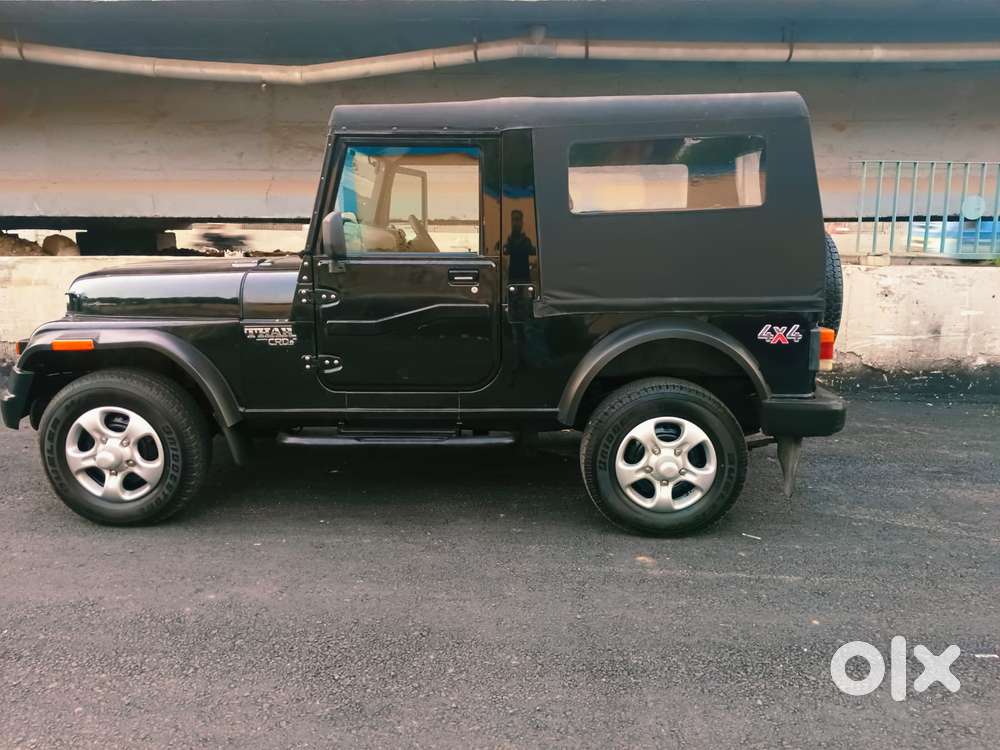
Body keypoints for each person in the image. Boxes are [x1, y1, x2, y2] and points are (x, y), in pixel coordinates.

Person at [503, 209, 536, 283]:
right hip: (511, 278)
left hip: (524, 278)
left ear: (521, 222)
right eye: (513, 220)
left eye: (517, 219)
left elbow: (533, 252)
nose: (515, 223)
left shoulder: (527, 240)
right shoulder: (507, 240)